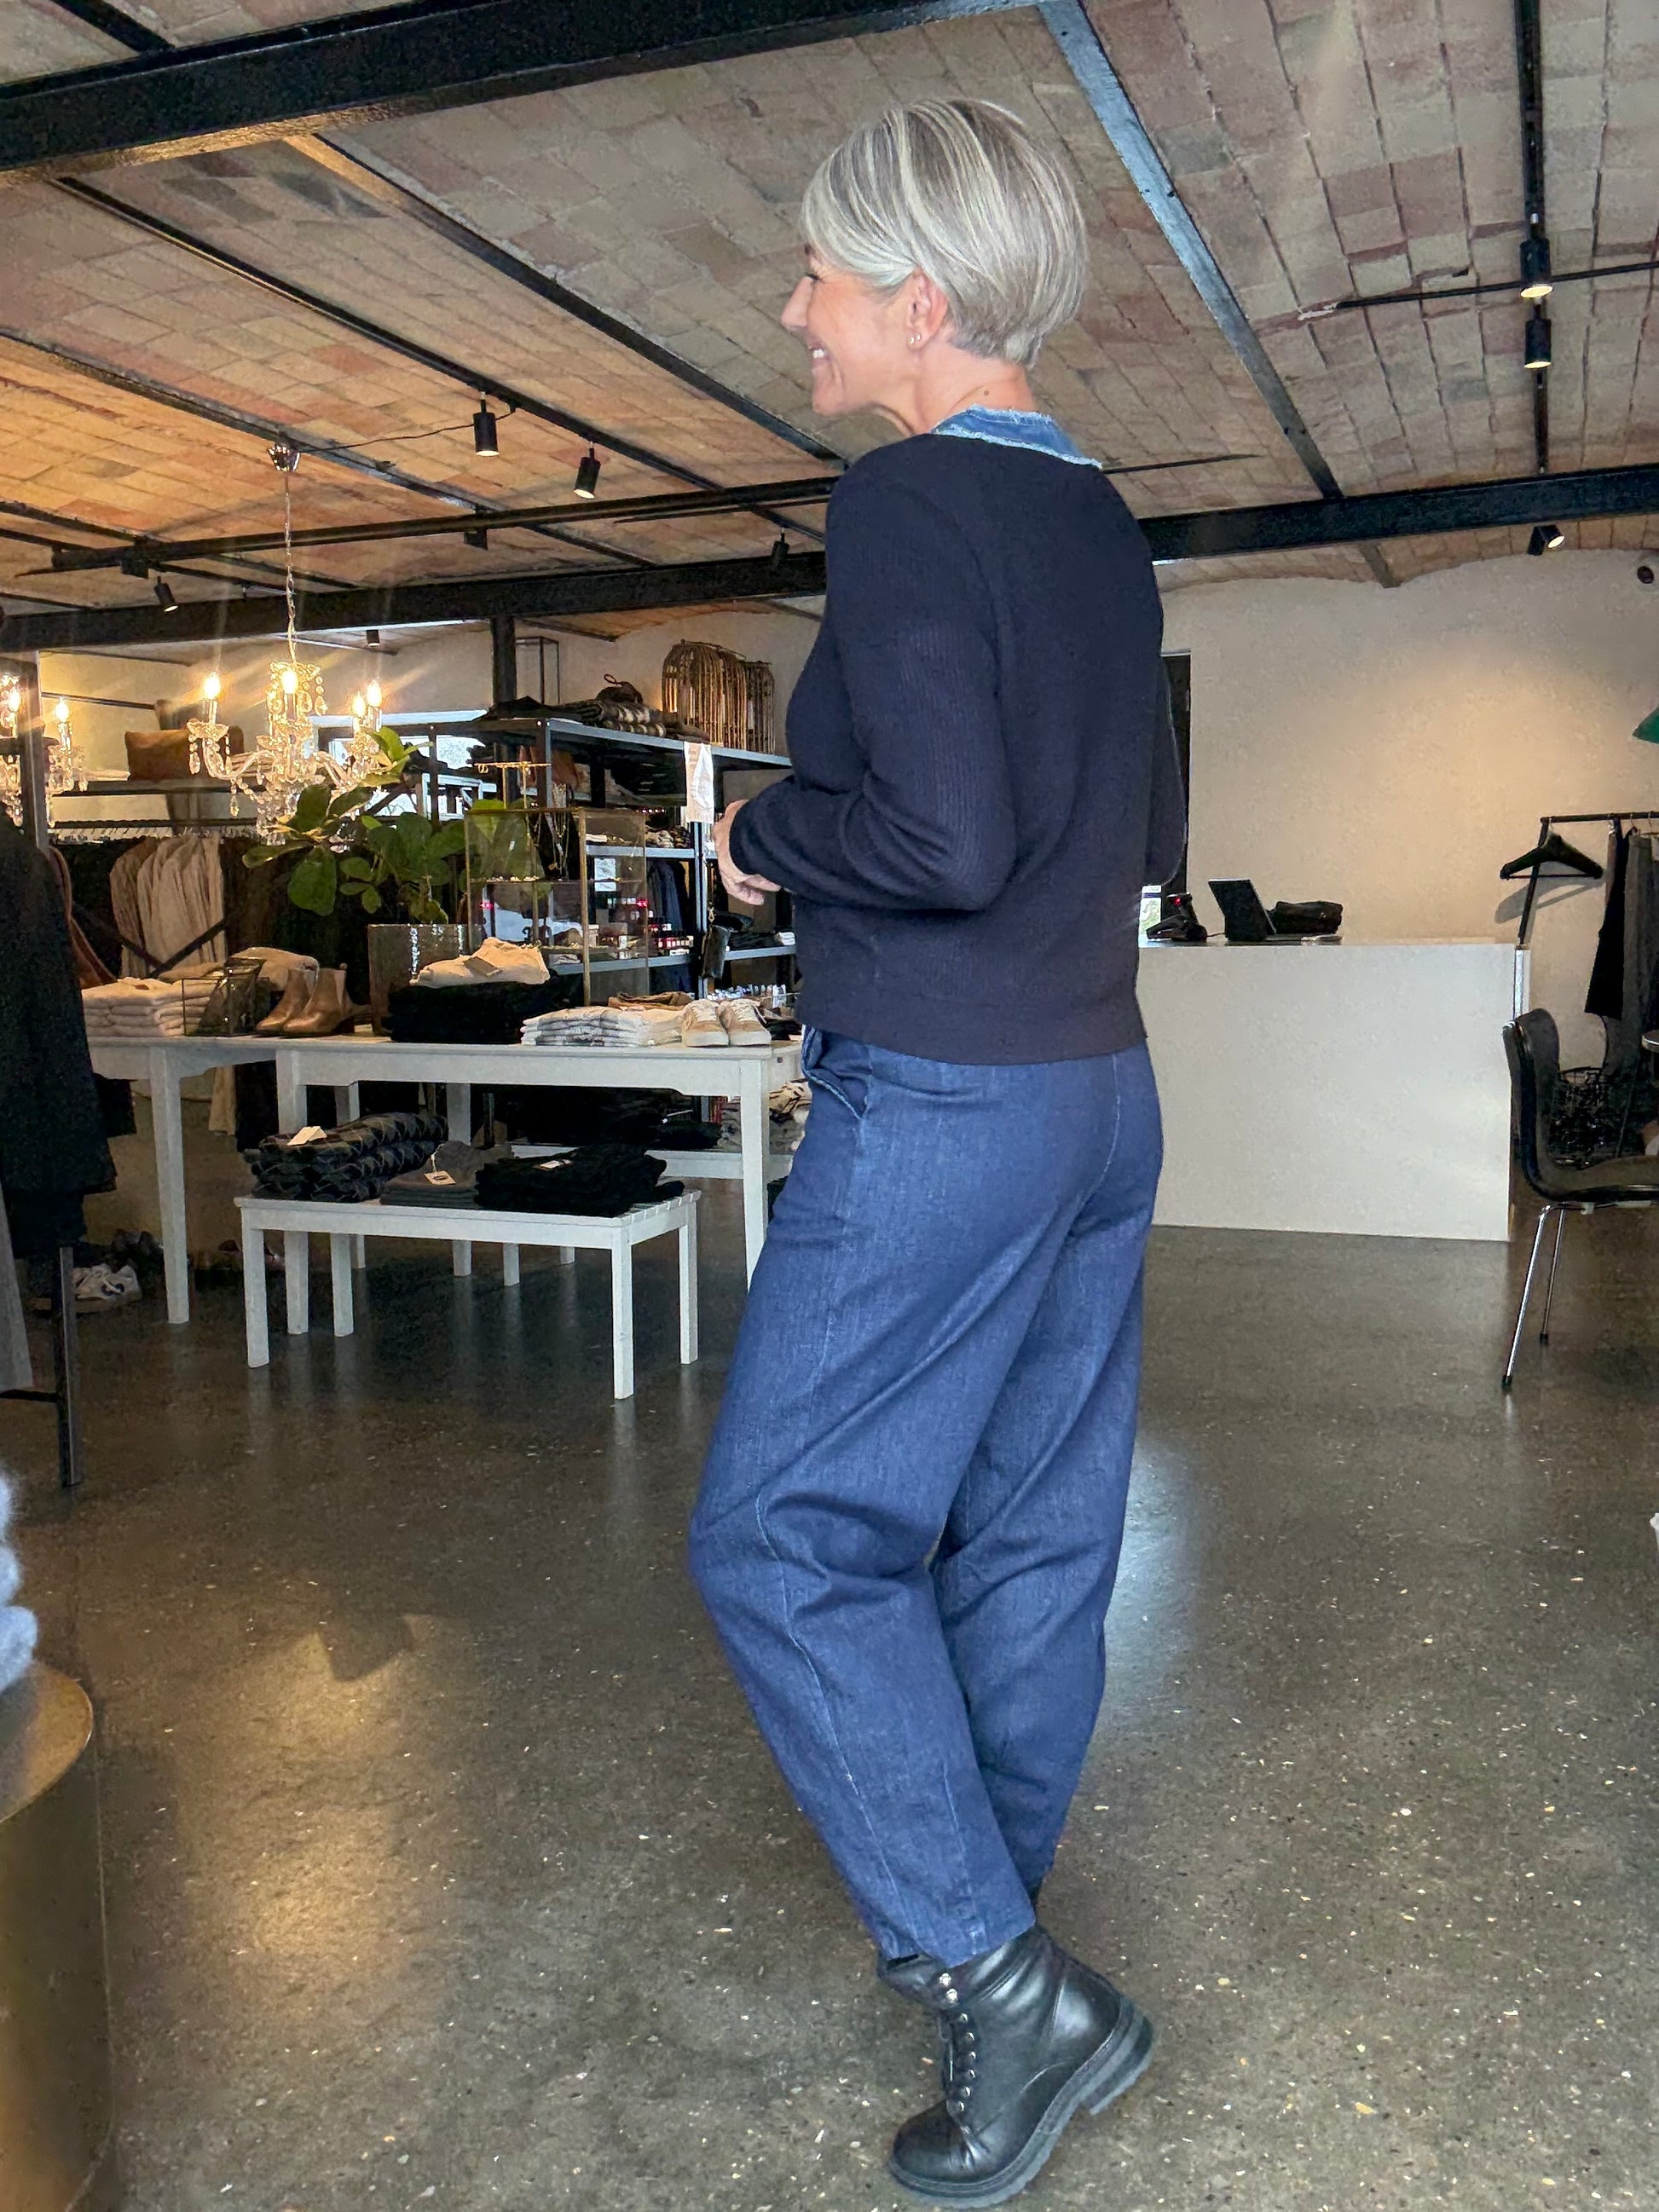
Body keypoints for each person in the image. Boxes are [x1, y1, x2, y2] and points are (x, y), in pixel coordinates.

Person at [688, 95, 1185, 2207]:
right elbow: (1111, 826)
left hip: (952, 1095)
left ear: (912, 296)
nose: (793, 308)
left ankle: (993, 1974)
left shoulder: (903, 498)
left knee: (782, 1537)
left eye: (816, 273)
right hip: (1095, 1087)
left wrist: (760, 830)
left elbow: (937, 835)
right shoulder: (1096, 520)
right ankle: (1006, 1945)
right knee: (1034, 1532)